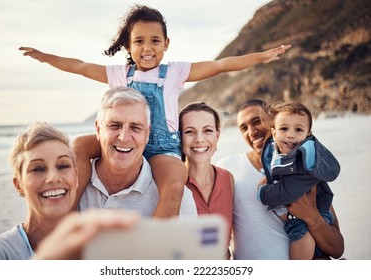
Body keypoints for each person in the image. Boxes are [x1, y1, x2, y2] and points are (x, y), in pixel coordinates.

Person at [19, 4, 291, 218]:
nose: (147, 48)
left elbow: (220, 65)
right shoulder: (119, 74)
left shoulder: (174, 72)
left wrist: (261, 56)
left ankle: (154, 244)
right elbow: (78, 66)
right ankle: (67, 213)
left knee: (175, 182)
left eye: (154, 41)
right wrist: (44, 56)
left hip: (161, 148)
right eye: (139, 41)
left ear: (166, 44)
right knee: (78, 144)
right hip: (124, 141)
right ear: (128, 46)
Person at [216, 99, 344, 260]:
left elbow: (338, 249)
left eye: (257, 121)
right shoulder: (228, 168)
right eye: (243, 128)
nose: (252, 131)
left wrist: (312, 216)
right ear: (275, 130)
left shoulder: (305, 166)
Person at [76, 86, 197, 217]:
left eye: (135, 128)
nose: (124, 137)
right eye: (114, 126)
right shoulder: (68, 186)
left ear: (147, 133)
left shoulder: (180, 199)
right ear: (98, 129)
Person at [0, 122, 79, 259]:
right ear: (18, 185)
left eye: (63, 165)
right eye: (37, 169)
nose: (53, 178)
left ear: (76, 177)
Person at [257, 101, 340, 259]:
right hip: (298, 214)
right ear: (274, 133)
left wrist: (263, 193)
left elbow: (287, 192)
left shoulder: (306, 161)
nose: (290, 134)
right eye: (284, 129)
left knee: (301, 235)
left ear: (308, 133)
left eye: (298, 130)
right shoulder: (277, 151)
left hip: (317, 214)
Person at [179, 101, 234, 259]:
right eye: (190, 132)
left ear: (217, 135)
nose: (199, 139)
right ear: (179, 136)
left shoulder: (227, 179)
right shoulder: (171, 184)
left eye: (207, 131)